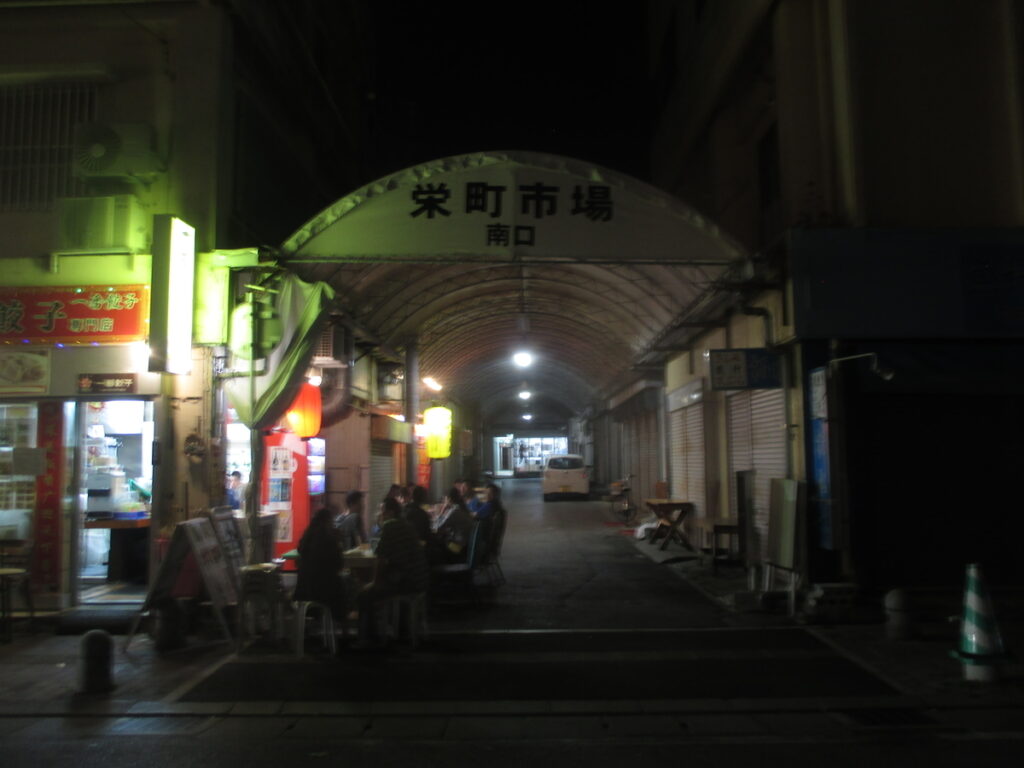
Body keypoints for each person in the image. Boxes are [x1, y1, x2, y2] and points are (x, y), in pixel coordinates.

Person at [355, 497, 430, 647]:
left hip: (407, 582)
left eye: (382, 511)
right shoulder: (406, 525)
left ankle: (368, 639)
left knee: (364, 595)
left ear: (390, 512)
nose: (380, 514)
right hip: (419, 579)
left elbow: (380, 559)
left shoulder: (390, 526)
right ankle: (396, 629)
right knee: (378, 590)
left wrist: (375, 583)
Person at [293, 506, 347, 625]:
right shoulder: (329, 538)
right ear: (329, 521)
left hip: (303, 590)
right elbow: (339, 565)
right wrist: (338, 543)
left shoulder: (308, 536)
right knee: (345, 583)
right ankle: (342, 624)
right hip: (322, 591)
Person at [432, 486, 473, 564]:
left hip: (458, 547)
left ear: (448, 499)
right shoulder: (462, 508)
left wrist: (441, 512)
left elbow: (437, 528)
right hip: (466, 545)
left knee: (432, 545)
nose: (443, 502)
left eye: (444, 499)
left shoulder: (454, 511)